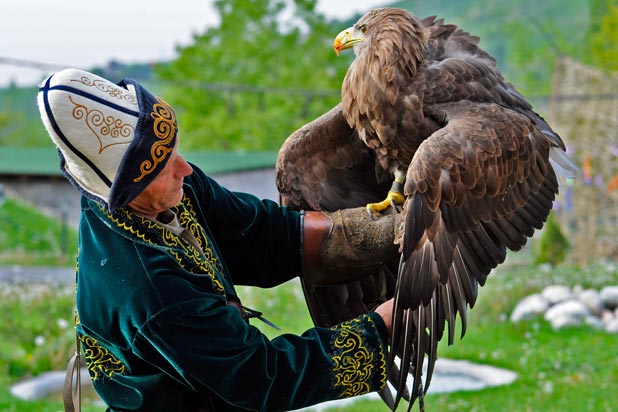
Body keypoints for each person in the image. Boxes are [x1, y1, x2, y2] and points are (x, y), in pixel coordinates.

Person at [38, 68, 399, 412]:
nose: (186, 169)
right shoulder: (149, 292)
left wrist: (384, 229)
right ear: (126, 191)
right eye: (165, 166)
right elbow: (260, 378)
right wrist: (379, 327)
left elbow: (263, 234)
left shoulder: (167, 188)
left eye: (174, 152)